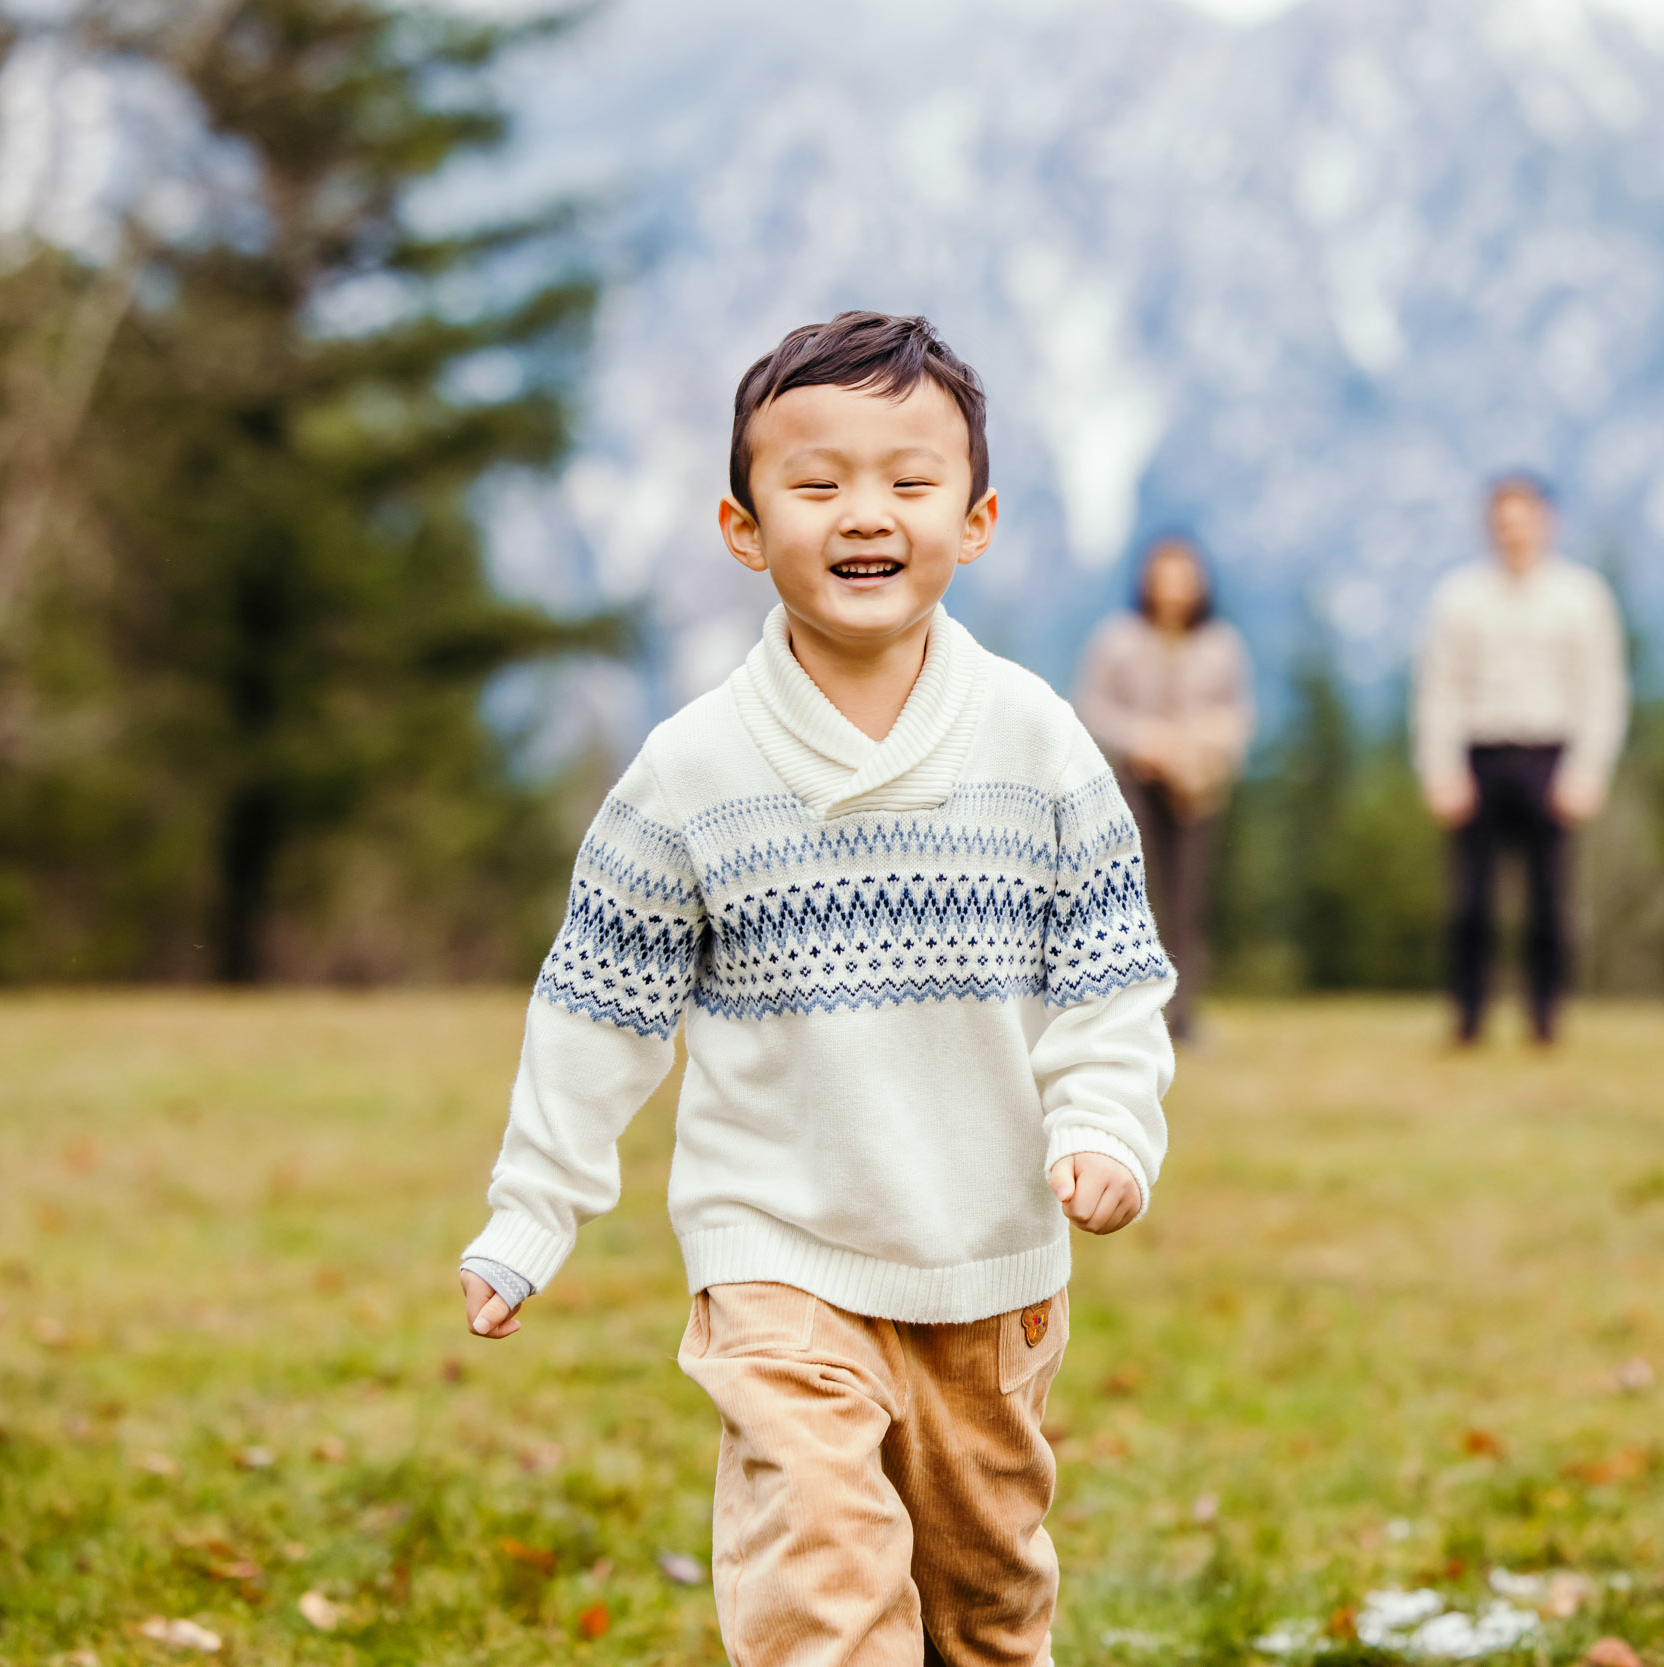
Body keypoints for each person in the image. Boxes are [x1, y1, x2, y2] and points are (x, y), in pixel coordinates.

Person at [456, 312, 1174, 1667]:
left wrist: (1106, 1129)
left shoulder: (1038, 743)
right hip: (776, 1254)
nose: (866, 512)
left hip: (987, 1268)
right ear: (742, 526)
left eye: (910, 482)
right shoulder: (692, 769)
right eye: (817, 480)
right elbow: (598, 1006)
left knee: (988, 1613)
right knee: (824, 1589)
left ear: (976, 519)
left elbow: (1109, 978)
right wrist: (531, 1208)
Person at [1411, 473, 1628, 1046]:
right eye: (1503, 520)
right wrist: (1440, 770)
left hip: (1549, 756)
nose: (1513, 531)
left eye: (1523, 518)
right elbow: (1438, 689)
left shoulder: (1583, 597)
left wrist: (1586, 772)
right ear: (1490, 526)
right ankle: (1469, 1017)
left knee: (1550, 903)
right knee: (1471, 904)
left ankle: (1545, 1016)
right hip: (1477, 756)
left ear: (1546, 523)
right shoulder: (1458, 597)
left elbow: (1602, 692)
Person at [1075, 538, 1253, 1041]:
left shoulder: (1222, 645)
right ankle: (1131, 1011)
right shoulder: (1117, 639)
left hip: (1198, 789)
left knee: (1189, 900)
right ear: (1147, 582)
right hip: (1132, 784)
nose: (1175, 589)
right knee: (1136, 894)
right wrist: (1145, 742)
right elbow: (1093, 707)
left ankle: (1184, 1015)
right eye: (1165, 577)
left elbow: (1240, 716)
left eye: (1184, 577)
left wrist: (1203, 744)